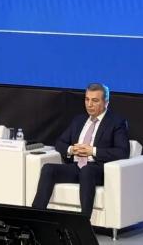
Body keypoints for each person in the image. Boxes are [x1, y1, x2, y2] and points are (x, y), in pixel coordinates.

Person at [31, 83, 130, 220]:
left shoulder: (116, 122)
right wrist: (71, 149)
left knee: (87, 171)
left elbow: (122, 152)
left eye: (95, 100)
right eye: (87, 99)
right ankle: (35, 217)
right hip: (76, 167)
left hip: (99, 170)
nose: (89, 104)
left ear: (106, 102)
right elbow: (60, 143)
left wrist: (93, 151)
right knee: (48, 169)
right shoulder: (79, 120)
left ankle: (83, 222)